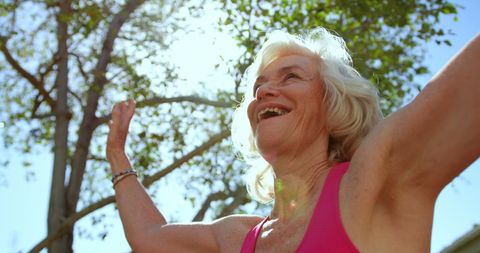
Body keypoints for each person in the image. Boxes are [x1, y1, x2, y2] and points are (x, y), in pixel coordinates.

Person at [106, 28, 480, 253]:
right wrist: (117, 156)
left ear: (332, 102)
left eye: (290, 78)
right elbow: (150, 237)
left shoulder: (374, 180)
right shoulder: (238, 237)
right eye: (259, 86)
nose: (265, 91)